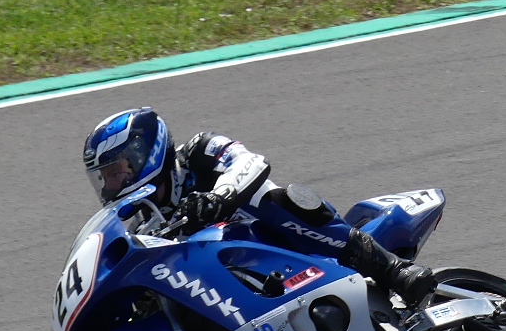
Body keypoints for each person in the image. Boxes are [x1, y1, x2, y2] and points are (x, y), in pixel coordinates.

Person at [81, 107, 436, 304]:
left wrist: (218, 198)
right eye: (105, 178)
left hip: (285, 240)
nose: (111, 185)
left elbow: (249, 162)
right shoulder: (145, 226)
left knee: (269, 198)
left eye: (116, 172)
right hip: (248, 287)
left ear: (146, 152)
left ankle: (391, 269)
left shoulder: (198, 152)